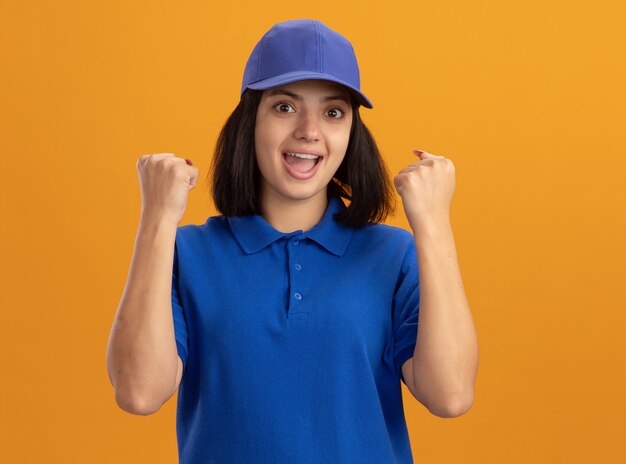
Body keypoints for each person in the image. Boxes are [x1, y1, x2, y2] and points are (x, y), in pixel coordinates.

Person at [106, 18, 478, 464]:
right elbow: (139, 392)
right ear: (251, 121)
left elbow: (451, 396)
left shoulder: (394, 256)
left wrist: (433, 224)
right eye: (285, 107)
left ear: (350, 133)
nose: (309, 130)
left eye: (333, 112)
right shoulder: (187, 253)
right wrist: (156, 219)